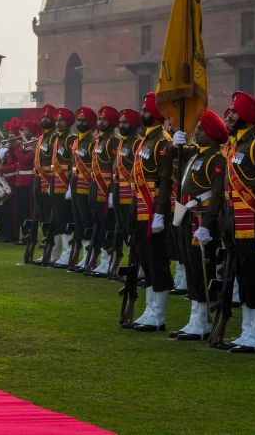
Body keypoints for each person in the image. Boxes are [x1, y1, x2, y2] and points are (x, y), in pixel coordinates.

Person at [222, 91, 255, 353]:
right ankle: (246, 332)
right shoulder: (236, 145)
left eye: (233, 111)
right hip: (235, 220)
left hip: (253, 222)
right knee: (242, 276)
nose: (229, 115)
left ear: (245, 116)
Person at [170, 110, 227, 340]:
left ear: (211, 135)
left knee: (201, 268)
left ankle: (202, 319)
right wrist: (174, 145)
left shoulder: (216, 159)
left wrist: (208, 225)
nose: (197, 132)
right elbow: (170, 155)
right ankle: (195, 317)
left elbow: (217, 195)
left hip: (201, 219)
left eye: (201, 129)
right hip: (186, 215)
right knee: (191, 268)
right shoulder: (196, 155)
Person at [124, 93, 174, 332]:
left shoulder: (163, 142)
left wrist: (160, 213)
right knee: (145, 261)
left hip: (153, 210)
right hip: (140, 209)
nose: (141, 112)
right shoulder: (146, 140)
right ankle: (149, 309)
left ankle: (159, 315)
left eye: (145, 110)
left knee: (157, 263)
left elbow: (165, 182)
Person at [88, 106, 119, 277]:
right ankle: (102, 259)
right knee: (98, 224)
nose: (100, 122)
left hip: (106, 189)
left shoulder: (114, 140)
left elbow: (115, 167)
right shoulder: (99, 139)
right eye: (99, 119)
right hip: (95, 187)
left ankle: (109, 261)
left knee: (107, 225)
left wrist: (113, 192)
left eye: (104, 119)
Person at [112, 109, 142, 279]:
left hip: (130, 193)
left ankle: (139, 265)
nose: (121, 125)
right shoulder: (122, 143)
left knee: (133, 231)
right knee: (124, 230)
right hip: (118, 191)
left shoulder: (137, 143)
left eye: (125, 122)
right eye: (120, 122)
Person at [69, 107, 97, 270]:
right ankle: (81, 256)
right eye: (78, 120)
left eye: (84, 120)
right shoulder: (77, 141)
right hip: (75, 185)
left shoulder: (92, 141)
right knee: (78, 222)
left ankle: (90, 255)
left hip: (86, 186)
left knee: (87, 221)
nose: (80, 123)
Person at [50, 108, 76, 267]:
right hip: (55, 182)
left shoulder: (70, 138)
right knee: (58, 219)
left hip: (65, 183)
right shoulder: (56, 138)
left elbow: (74, 164)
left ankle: (68, 253)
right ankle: (58, 252)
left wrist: (71, 186)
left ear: (68, 123)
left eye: (61, 120)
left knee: (66, 219)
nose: (58, 122)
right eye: (57, 120)